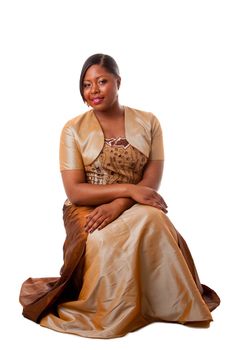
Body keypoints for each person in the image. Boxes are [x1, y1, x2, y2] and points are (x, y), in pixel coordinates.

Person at [19, 53, 220, 339]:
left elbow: (151, 180)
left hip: (136, 203)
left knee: (155, 220)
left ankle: (165, 304)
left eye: (102, 81)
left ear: (118, 82)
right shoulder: (72, 129)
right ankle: (111, 309)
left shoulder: (149, 122)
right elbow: (75, 191)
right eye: (87, 85)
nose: (94, 90)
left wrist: (121, 203)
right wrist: (128, 189)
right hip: (86, 206)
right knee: (100, 239)